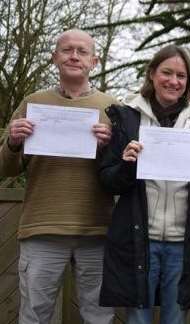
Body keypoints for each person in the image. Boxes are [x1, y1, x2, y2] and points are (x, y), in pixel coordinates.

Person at [97, 44, 190, 324]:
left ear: (188, 82)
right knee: (138, 320)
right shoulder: (126, 117)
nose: (174, 81)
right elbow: (107, 180)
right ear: (152, 74)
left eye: (181, 76)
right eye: (167, 72)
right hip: (139, 239)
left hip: (184, 242)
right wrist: (128, 164)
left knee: (175, 319)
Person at [0, 29, 118, 324]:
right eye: (66, 50)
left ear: (95, 61)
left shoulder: (114, 108)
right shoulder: (33, 102)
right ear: (55, 57)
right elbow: (6, 169)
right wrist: (13, 143)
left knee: (99, 317)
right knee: (35, 316)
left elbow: (123, 174)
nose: (74, 56)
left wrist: (110, 149)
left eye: (82, 51)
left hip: (98, 230)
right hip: (42, 228)